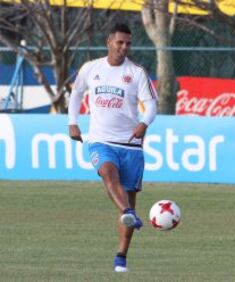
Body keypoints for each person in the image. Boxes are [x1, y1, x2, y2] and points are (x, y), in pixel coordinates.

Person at [68, 23, 158, 273]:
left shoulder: (137, 72)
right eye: (120, 42)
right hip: (101, 140)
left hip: (131, 145)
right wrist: (72, 123)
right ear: (109, 41)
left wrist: (143, 122)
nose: (124, 47)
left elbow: (151, 105)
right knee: (107, 172)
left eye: (128, 43)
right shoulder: (91, 68)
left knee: (128, 194)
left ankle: (121, 256)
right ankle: (127, 211)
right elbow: (76, 95)